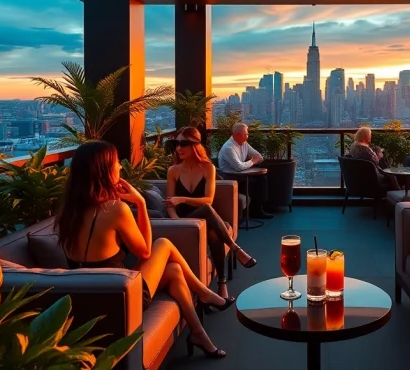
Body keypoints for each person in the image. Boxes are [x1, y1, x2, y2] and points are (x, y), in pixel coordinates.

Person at [56, 140, 231, 359]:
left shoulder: (68, 210)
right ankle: (204, 293)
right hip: (122, 299)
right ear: (103, 170)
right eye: (117, 163)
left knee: (175, 271)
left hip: (90, 297)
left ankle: (198, 333)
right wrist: (139, 203)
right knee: (163, 244)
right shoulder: (115, 209)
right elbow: (145, 252)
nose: (120, 167)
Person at [165, 126, 257, 299]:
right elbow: (170, 204)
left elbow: (208, 199)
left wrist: (183, 199)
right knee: (208, 213)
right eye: (176, 143)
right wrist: (176, 221)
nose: (178, 148)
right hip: (184, 220)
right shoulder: (174, 171)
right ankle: (235, 249)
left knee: (213, 232)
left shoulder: (208, 168)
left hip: (206, 221)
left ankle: (222, 284)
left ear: (196, 145)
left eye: (183, 144)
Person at [217, 122, 271, 219]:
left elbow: (259, 156)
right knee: (260, 181)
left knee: (262, 178)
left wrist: (253, 161)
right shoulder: (229, 148)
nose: (247, 136)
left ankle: (258, 208)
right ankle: (257, 210)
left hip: (240, 174)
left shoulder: (244, 143)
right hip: (228, 177)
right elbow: (239, 167)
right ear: (237, 135)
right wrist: (252, 161)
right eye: (246, 134)